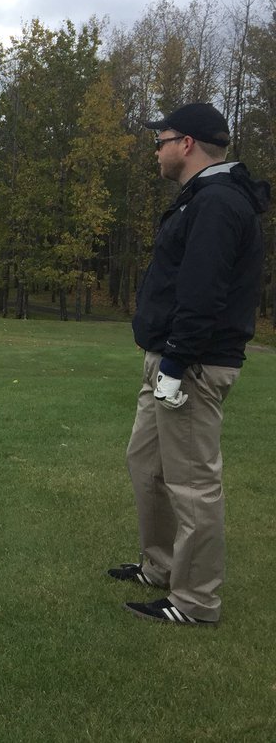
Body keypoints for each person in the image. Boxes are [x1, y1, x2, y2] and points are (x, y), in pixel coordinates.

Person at [109, 103, 269, 625]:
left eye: (162, 139)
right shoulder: (201, 199)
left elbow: (204, 292)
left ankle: (196, 601)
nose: (156, 148)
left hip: (192, 366)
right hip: (170, 359)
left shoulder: (218, 202)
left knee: (193, 483)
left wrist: (176, 364)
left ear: (188, 144)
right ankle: (160, 567)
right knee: (147, 466)